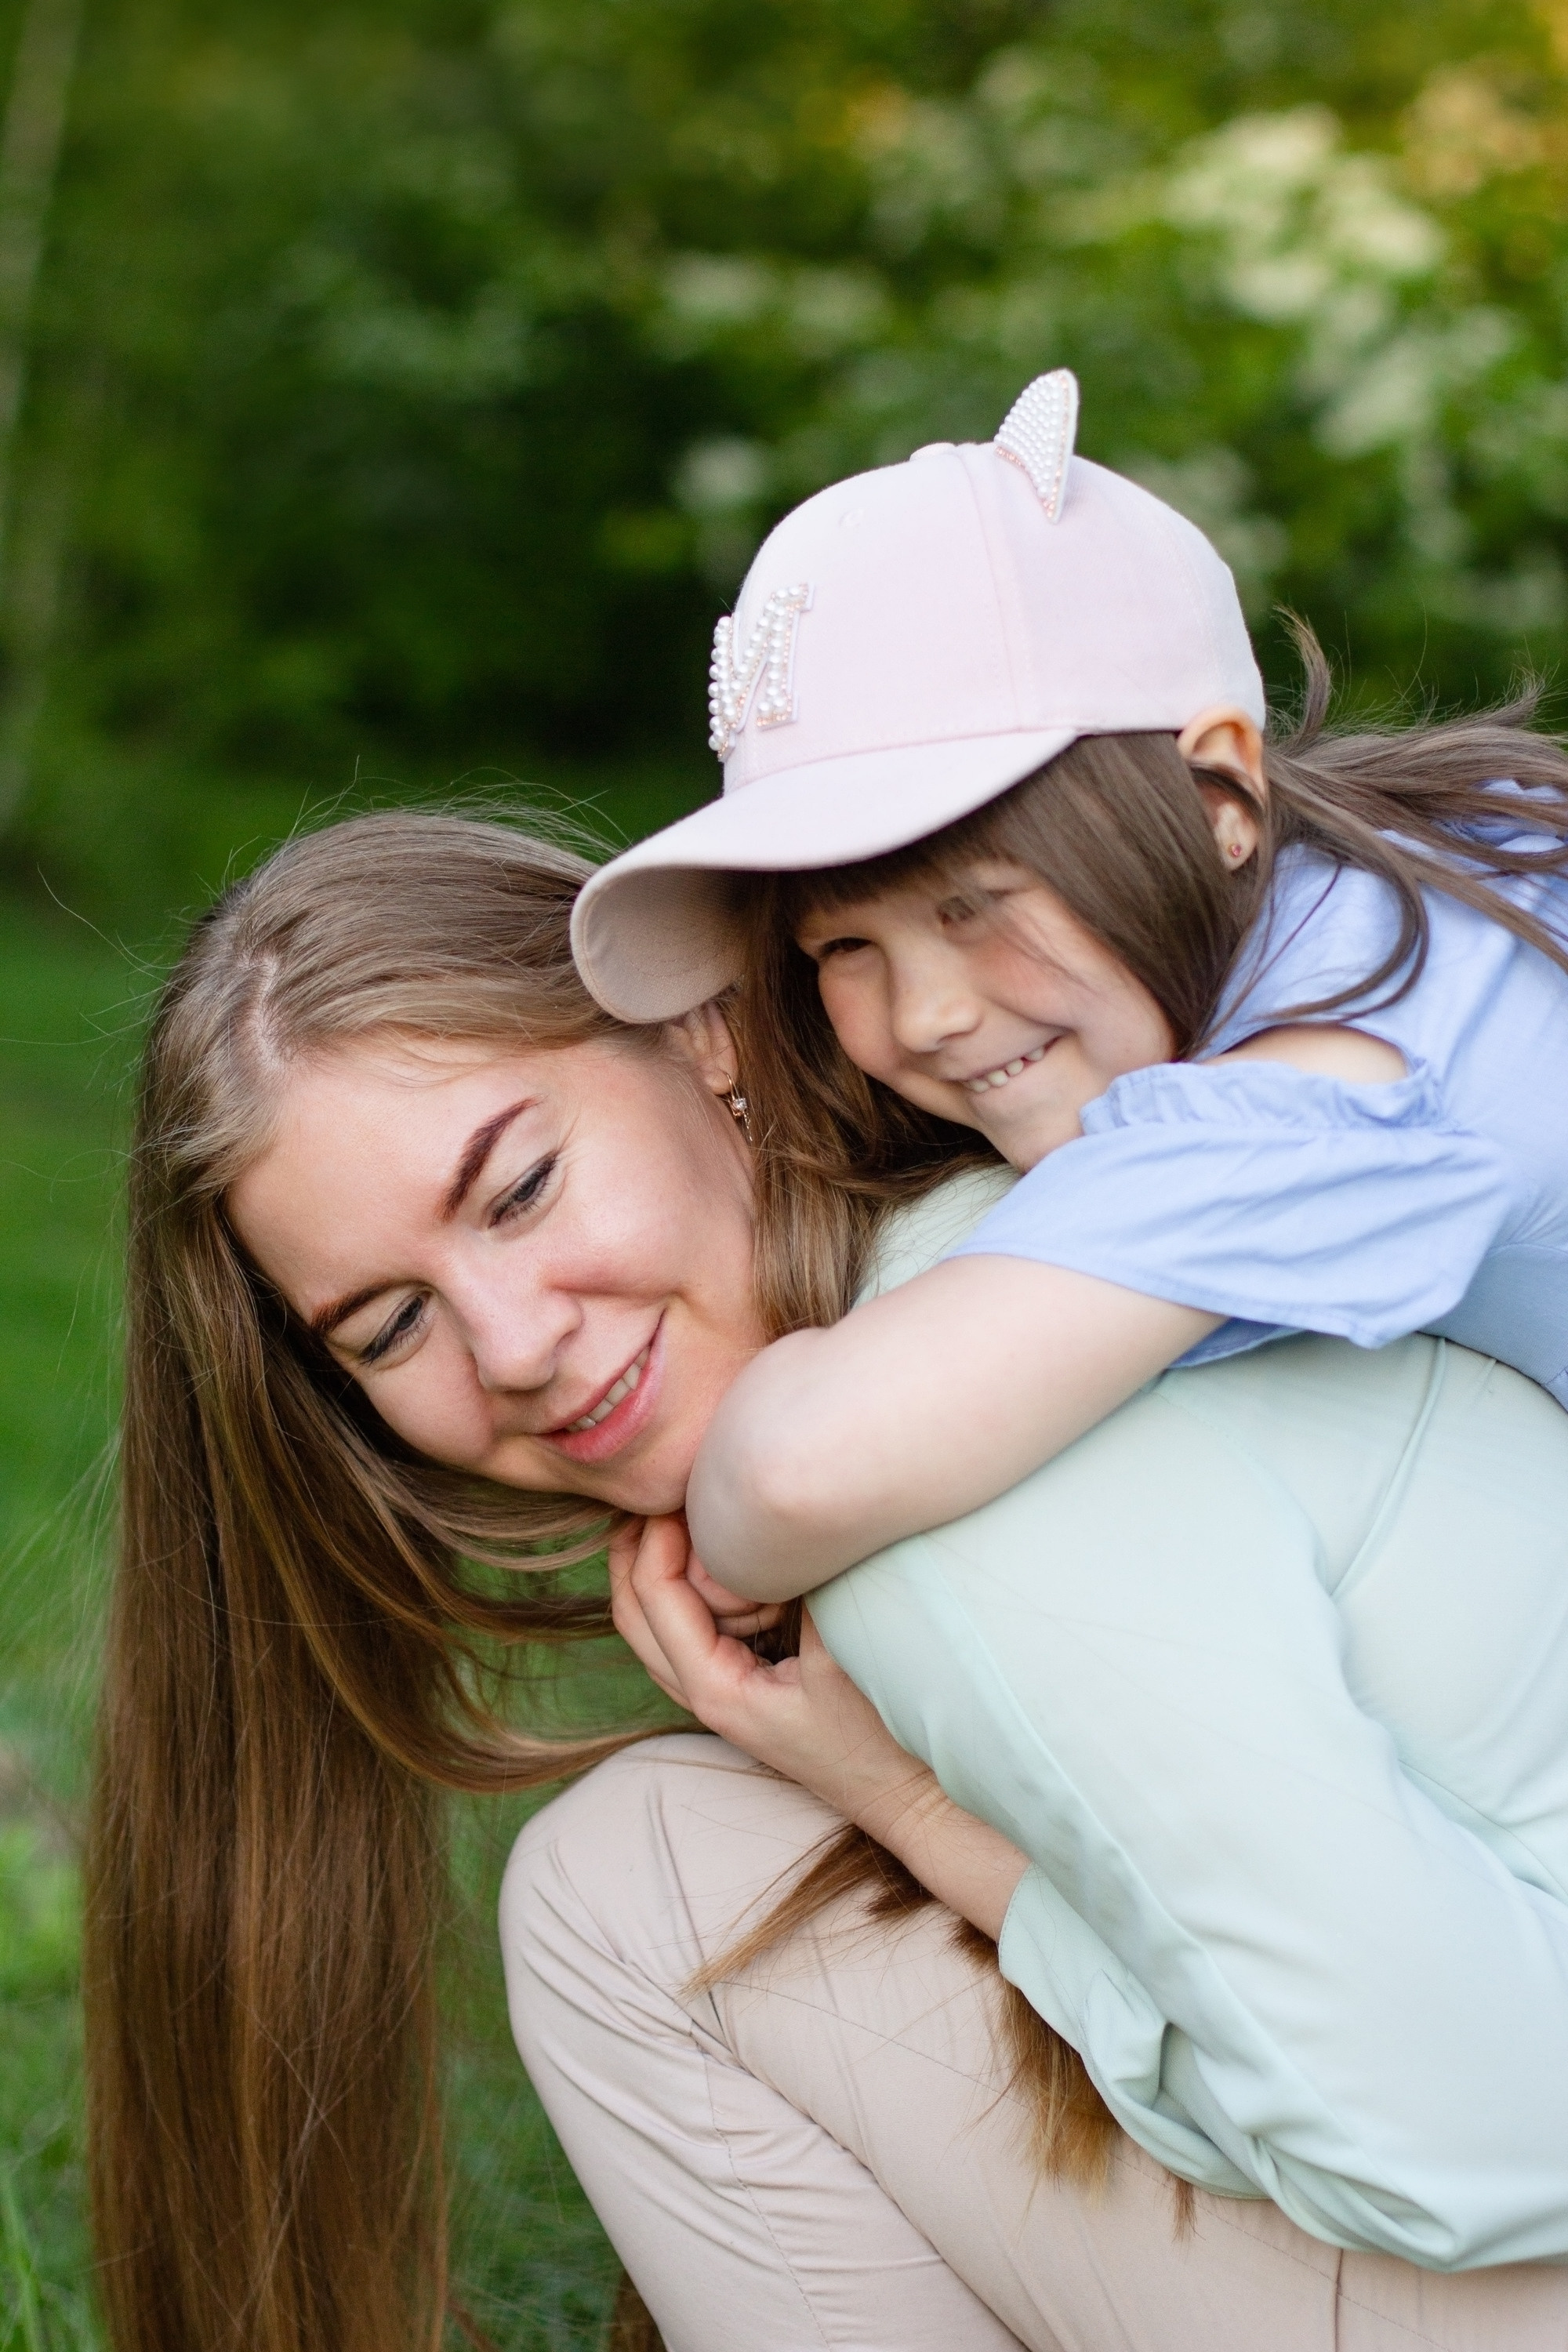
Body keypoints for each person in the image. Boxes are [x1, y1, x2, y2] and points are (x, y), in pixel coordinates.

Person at [89, 808, 1568, 2352]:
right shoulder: (1029, 1272)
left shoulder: (940, 1470)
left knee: (625, 1905)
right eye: (391, 1326)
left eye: (521, 1189)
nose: (514, 1346)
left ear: (710, 1039)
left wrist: (918, 1818)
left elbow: (1476, 2142)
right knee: (659, 1854)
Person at [568, 370, 1568, 2270]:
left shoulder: (1327, 1086)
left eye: (975, 902)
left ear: (1211, 791)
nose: (926, 1015)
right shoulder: (1410, 902)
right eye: (840, 948)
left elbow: (794, 1471)